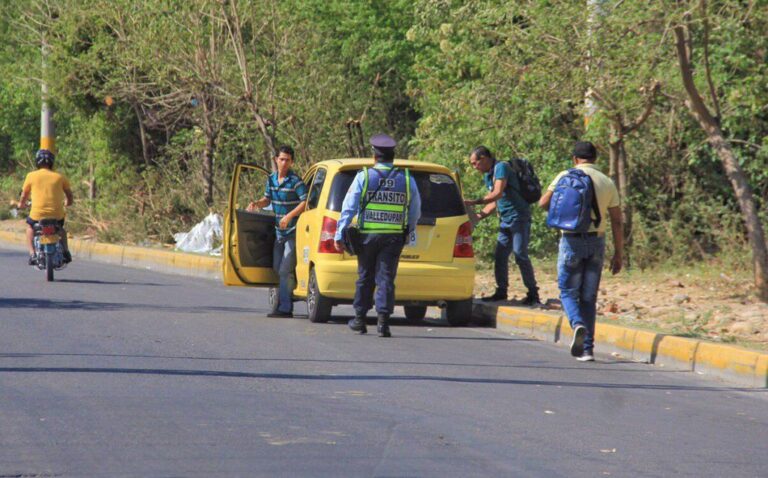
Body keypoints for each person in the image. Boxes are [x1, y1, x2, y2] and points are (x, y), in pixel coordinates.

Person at [539, 141, 624, 362]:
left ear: (575, 159)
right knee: (588, 297)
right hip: (597, 241)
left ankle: (576, 323)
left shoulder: (565, 176)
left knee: (567, 291)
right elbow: (617, 220)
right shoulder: (607, 181)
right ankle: (587, 350)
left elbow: (543, 203)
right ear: (595, 159)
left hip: (571, 240)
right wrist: (619, 253)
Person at [333, 134, 421, 337]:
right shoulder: (407, 180)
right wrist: (409, 229)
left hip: (367, 237)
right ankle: (383, 323)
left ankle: (360, 319)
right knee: (386, 278)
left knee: (365, 277)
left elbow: (349, 208)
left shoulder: (364, 176)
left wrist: (339, 235)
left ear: (375, 156)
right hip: (393, 238)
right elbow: (415, 210)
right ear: (393, 156)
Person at [464, 146, 540, 305]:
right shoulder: (488, 176)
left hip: (518, 217)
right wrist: (477, 217)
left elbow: (497, 193)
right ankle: (501, 291)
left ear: (484, 158)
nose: (474, 167)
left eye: (475, 163)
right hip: (505, 220)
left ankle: (533, 293)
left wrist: (473, 202)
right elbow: (495, 202)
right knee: (500, 256)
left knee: (520, 254)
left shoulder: (501, 168)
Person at [247, 145, 308, 318]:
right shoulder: (271, 180)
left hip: (293, 232)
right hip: (278, 234)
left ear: (292, 161)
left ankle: (285, 308)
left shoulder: (296, 181)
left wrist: (289, 216)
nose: (284, 163)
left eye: (287, 160)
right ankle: (289, 294)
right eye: (281, 159)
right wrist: (257, 204)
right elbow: (267, 199)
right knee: (277, 268)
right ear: (276, 160)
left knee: (284, 270)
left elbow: (305, 202)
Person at [17, 149, 74, 266]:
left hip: (37, 215)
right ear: (52, 162)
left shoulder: (31, 176)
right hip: (57, 214)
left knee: (30, 228)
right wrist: (68, 203)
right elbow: (69, 195)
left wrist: (21, 204)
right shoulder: (60, 177)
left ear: (37, 162)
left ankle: (32, 254)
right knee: (60, 229)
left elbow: (24, 195)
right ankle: (66, 252)